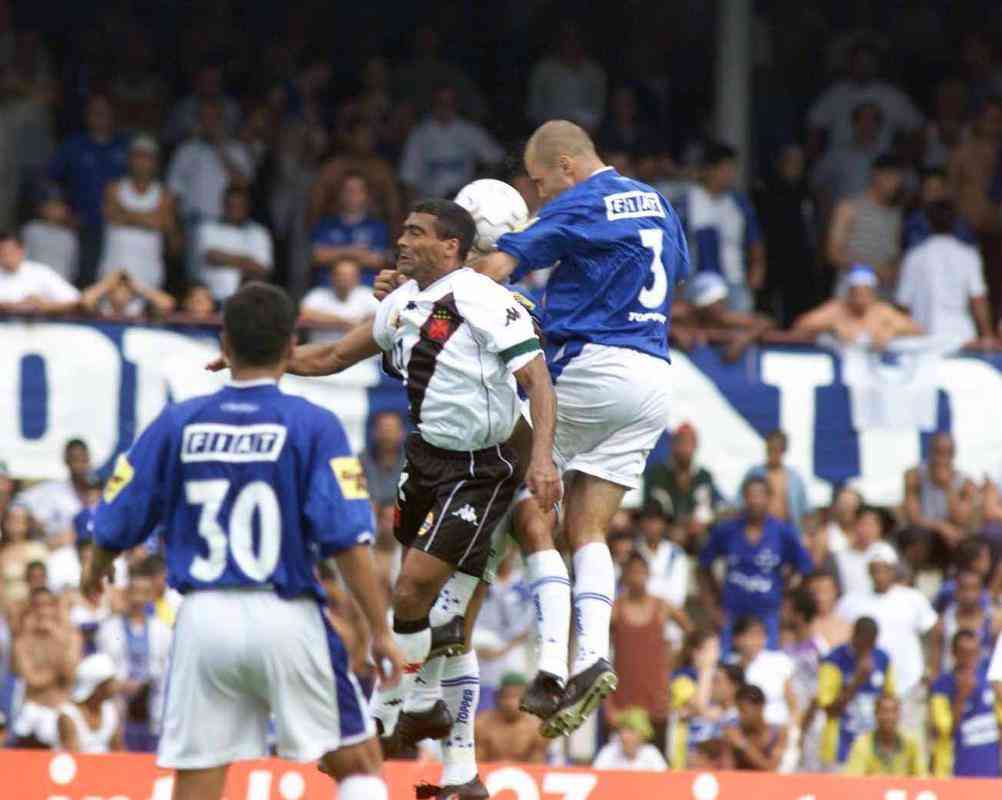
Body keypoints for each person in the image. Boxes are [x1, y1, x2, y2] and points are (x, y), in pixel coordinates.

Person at [218, 202, 560, 800]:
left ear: (451, 246)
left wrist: (541, 458)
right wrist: (265, 362)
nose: (400, 240)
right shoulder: (400, 303)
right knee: (432, 611)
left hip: (482, 468)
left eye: (415, 233)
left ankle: (388, 716)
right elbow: (328, 357)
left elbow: (538, 381)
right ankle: (450, 754)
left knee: (413, 591)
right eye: (402, 230)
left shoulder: (481, 300)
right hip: (424, 460)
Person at [82, 282, 403, 800]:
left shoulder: (178, 420)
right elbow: (345, 538)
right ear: (290, 345)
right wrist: (378, 628)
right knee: (359, 763)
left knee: (199, 782)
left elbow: (118, 519)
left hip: (202, 619)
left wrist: (95, 569)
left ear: (224, 344)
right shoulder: (314, 424)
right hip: (287, 613)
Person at [467, 120, 689, 738]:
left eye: (540, 183)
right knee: (587, 527)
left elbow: (496, 268)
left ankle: (546, 663)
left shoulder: (581, 202)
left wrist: (420, 287)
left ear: (567, 165)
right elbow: (675, 273)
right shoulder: (659, 202)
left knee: (524, 505)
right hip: (651, 375)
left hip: (591, 367)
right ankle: (592, 656)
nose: (539, 197)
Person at [699, 476, 813, 653]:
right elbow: (703, 566)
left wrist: (787, 598)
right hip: (732, 614)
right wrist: (712, 606)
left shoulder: (783, 532)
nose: (755, 501)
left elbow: (805, 567)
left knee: (765, 668)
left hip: (768, 615)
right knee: (728, 667)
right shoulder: (726, 530)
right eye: (750, 496)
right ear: (744, 498)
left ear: (769, 498)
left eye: (760, 495)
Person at [837, 546, 938, 733]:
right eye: (875, 569)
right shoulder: (851, 602)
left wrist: (932, 668)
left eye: (884, 569)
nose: (879, 575)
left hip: (909, 684)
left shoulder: (912, 598)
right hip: (867, 690)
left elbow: (934, 632)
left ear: (893, 571)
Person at [606, 552, 685, 754]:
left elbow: (691, 633)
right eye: (632, 572)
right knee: (621, 754)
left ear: (649, 574)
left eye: (641, 571)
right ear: (624, 575)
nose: (637, 576)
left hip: (657, 695)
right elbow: (599, 655)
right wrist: (607, 705)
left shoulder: (662, 606)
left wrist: (674, 660)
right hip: (624, 695)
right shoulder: (616, 609)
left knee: (658, 755)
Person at [47, 93, 128, 285]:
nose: (100, 117)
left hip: (119, 225)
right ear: (87, 116)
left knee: (115, 277)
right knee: (84, 274)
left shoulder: (125, 146)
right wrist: (63, 211)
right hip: (83, 224)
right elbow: (50, 181)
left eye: (104, 112)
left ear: (113, 115)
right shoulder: (74, 146)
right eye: (95, 113)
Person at [897, 200, 995, 349]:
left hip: (924, 337)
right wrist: (987, 335)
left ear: (928, 222)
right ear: (956, 221)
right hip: (961, 337)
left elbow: (903, 304)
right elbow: (978, 299)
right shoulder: (968, 255)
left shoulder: (915, 256)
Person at [94, 569, 172, 752]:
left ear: (151, 596)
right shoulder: (108, 628)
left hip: (153, 707)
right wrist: (119, 684)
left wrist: (146, 683)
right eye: (134, 592)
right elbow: (102, 668)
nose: (138, 599)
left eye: (143, 593)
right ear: (126, 593)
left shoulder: (163, 631)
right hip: (119, 704)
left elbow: (168, 672)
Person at [683, 142, 765, 312]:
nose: (730, 175)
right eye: (724, 169)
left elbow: (754, 241)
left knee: (739, 325)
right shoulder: (688, 201)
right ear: (708, 170)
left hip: (735, 280)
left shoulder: (739, 204)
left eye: (732, 170)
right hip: (698, 281)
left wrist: (757, 270)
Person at [806, 40, 923, 157]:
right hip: (839, 163)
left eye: (868, 61)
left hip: (881, 164)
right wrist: (814, 159)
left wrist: (905, 159)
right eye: (858, 61)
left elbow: (917, 128)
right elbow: (814, 129)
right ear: (849, 63)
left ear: (877, 64)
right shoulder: (835, 94)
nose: (863, 66)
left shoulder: (892, 95)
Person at [99, 134, 177, 290]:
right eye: (137, 156)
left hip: (148, 272)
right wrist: (149, 218)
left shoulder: (164, 195)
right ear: (129, 159)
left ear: (155, 162)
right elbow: (113, 217)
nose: (141, 162)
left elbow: (163, 225)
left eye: (147, 157)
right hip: (114, 268)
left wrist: (126, 214)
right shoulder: (113, 188)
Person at [752, 143, 818, 327]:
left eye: (799, 163)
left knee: (797, 305)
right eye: (791, 162)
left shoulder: (806, 192)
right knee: (768, 306)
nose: (795, 167)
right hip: (772, 257)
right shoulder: (765, 191)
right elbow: (758, 230)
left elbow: (810, 228)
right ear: (781, 164)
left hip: (799, 260)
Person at [817, 616, 895, 770]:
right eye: (864, 643)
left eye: (871, 644)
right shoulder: (834, 660)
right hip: (840, 748)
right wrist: (857, 681)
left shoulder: (882, 658)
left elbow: (890, 698)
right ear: (855, 636)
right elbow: (829, 709)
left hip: (873, 750)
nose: (868, 649)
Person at [399, 86, 504, 199]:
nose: (445, 107)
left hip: (465, 203)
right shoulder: (419, 135)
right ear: (432, 104)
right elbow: (408, 178)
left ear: (456, 105)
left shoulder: (470, 131)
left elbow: (497, 160)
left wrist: (479, 183)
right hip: (431, 203)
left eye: (450, 103)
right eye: (440, 102)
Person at [11, 587, 82, 748]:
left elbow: (70, 674)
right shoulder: (22, 642)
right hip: (34, 709)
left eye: (48, 605)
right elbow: (33, 680)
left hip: (63, 708)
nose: (43, 611)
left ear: (55, 607)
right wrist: (57, 673)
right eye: (38, 606)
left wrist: (56, 638)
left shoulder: (71, 636)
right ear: (31, 609)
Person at [791, 264, 922, 349]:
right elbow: (800, 325)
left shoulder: (883, 312)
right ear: (849, 294)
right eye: (857, 293)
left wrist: (892, 330)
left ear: (873, 294)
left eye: (865, 294)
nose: (861, 299)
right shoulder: (836, 310)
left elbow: (918, 331)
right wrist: (831, 328)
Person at [825, 155, 904, 295]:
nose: (895, 184)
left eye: (898, 179)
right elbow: (833, 253)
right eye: (890, 177)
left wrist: (895, 270)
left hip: (882, 296)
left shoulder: (895, 215)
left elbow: (894, 254)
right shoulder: (849, 208)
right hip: (851, 293)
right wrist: (871, 270)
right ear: (876, 175)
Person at [930, 630, 1002, 778]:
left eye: (973, 653)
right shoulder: (942, 686)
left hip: (990, 772)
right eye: (964, 653)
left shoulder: (988, 681)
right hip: (956, 772)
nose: (969, 659)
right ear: (954, 653)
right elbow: (945, 730)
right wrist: (961, 697)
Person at [643, 422, 722, 551]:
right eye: (681, 442)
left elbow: (706, 509)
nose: (685, 448)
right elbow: (652, 507)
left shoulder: (704, 477)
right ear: (672, 445)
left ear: (696, 446)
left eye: (689, 443)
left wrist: (696, 525)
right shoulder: (656, 474)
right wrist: (670, 527)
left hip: (694, 534)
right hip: (664, 531)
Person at [902, 431, 976, 563]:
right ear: (930, 452)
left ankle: (952, 579)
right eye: (937, 452)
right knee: (916, 536)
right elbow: (912, 516)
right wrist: (941, 527)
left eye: (947, 453)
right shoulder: (914, 475)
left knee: (966, 542)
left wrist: (947, 487)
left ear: (953, 455)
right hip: (925, 529)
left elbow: (961, 519)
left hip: (952, 532)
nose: (941, 458)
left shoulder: (965, 482)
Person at [669, 272, 776, 362]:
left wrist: (744, 339)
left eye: (720, 301)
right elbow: (655, 320)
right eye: (712, 302)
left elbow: (765, 322)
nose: (717, 307)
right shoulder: (683, 313)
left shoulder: (724, 317)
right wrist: (674, 331)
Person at [196, 184, 273, 303]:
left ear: (248, 206)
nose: (235, 210)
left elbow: (263, 269)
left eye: (240, 205)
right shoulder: (207, 228)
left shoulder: (259, 233)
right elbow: (211, 256)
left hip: (247, 301)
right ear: (223, 205)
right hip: (211, 299)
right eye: (231, 205)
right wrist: (247, 261)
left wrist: (225, 258)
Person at [310, 171, 390, 283]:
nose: (352, 195)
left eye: (357, 191)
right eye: (348, 190)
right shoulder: (325, 224)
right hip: (328, 288)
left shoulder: (378, 226)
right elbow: (317, 257)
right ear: (340, 194)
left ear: (366, 195)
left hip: (365, 289)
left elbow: (377, 260)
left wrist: (335, 253)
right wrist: (354, 252)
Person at [527, 22, 607, 132]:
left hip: (586, 135)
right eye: (567, 37)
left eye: (575, 37)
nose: (571, 42)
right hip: (550, 135)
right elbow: (534, 109)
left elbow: (599, 109)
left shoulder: (595, 72)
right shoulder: (543, 70)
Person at [728, 616, 798, 731]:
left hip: (778, 730)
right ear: (737, 639)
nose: (756, 641)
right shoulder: (728, 666)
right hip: (741, 732)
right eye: (751, 635)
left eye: (760, 635)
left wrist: (791, 729)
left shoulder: (778, 661)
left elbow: (792, 703)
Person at [810, 102, 884, 209]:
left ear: (878, 124)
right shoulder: (836, 154)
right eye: (862, 118)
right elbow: (815, 181)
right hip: (843, 219)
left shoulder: (887, 155)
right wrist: (826, 207)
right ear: (854, 122)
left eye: (873, 119)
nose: (867, 123)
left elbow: (910, 185)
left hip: (879, 220)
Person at [16, 438, 91, 543]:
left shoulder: (100, 491)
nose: (79, 465)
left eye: (83, 459)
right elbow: (19, 503)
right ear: (66, 461)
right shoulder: (53, 491)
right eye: (75, 459)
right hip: (61, 552)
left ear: (89, 460)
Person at [928, 570, 1001, 676]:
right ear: (956, 592)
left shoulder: (994, 622)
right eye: (964, 589)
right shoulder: (942, 623)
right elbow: (934, 664)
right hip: (950, 685)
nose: (968, 594)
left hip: (985, 687)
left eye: (974, 589)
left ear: (981, 591)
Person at [300, 257, 379, 345]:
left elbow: (378, 320)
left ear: (358, 278)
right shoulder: (317, 295)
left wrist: (323, 320)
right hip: (321, 352)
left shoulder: (368, 294)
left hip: (359, 353)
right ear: (332, 276)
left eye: (349, 275)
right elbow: (303, 317)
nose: (345, 279)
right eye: (340, 274)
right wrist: (344, 323)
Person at [473, 673, 548, 764]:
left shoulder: (537, 728)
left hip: (525, 776)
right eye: (506, 696)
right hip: (487, 776)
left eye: (516, 696)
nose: (510, 703)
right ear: (497, 697)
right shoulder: (481, 724)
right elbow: (477, 764)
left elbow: (538, 767)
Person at [0, 229, 80, 314]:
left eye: (11, 251)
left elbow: (76, 301)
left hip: (41, 324)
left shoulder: (40, 272)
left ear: (21, 250)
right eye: (3, 252)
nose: (7, 256)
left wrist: (44, 306)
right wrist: (14, 306)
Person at [844, 695, 926, 777]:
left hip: (903, 789)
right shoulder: (862, 744)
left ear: (899, 715)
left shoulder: (911, 742)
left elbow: (922, 777)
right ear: (875, 714)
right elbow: (853, 778)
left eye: (893, 712)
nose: (889, 717)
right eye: (884, 711)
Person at [56, 652, 123, 753]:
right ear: (98, 686)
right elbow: (73, 756)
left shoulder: (110, 710)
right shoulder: (68, 715)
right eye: (111, 681)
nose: (116, 685)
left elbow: (118, 751)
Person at [743, 430, 809, 527]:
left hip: (786, 529)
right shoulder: (754, 474)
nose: (773, 453)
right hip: (759, 530)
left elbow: (804, 509)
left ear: (784, 450)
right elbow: (739, 502)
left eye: (777, 449)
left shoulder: (794, 479)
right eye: (770, 449)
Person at [20, 184, 78, 283]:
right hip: (33, 283)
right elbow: (23, 258)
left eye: (58, 206)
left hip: (59, 285)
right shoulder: (31, 230)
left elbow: (72, 267)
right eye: (50, 205)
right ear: (42, 208)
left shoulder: (69, 236)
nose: (54, 210)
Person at [726, 684, 786, 771]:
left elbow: (771, 769)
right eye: (738, 711)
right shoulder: (734, 732)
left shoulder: (779, 733)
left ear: (760, 707)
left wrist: (743, 744)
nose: (740, 716)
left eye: (744, 710)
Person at [834, 504, 890, 597]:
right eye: (863, 524)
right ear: (853, 525)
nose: (867, 530)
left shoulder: (887, 552)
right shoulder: (839, 556)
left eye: (872, 525)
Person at [592, 707, 669, 771]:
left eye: (631, 731)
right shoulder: (609, 752)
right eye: (622, 730)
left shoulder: (651, 753)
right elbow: (596, 776)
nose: (624, 736)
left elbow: (663, 779)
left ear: (642, 734)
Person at [81, 268, 176, 319]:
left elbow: (167, 304)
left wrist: (138, 286)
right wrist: (106, 284)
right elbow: (85, 300)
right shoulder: (103, 306)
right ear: (109, 293)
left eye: (125, 291)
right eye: (116, 291)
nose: (121, 296)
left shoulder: (138, 307)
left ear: (131, 294)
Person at [359, 412, 407, 511]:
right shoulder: (359, 461)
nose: (387, 435)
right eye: (383, 430)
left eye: (391, 430)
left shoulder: (414, 463)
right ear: (374, 432)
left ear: (402, 433)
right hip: (370, 519)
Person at [807, 570, 851, 651]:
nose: (820, 597)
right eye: (815, 592)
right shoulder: (801, 626)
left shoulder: (847, 628)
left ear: (835, 592)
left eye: (825, 591)